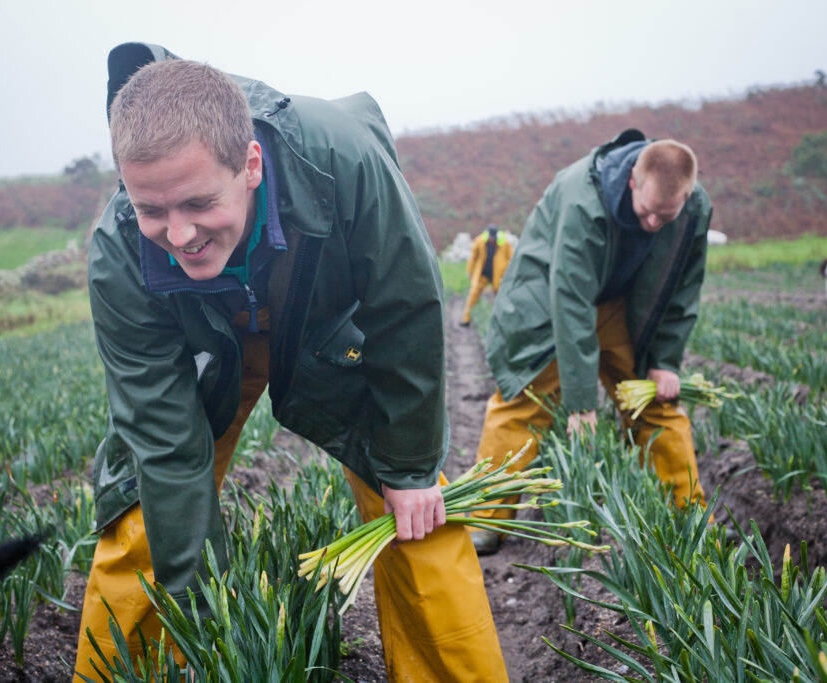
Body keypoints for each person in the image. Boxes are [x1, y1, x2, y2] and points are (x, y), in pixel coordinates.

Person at [75, 42, 507, 682]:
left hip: (325, 327)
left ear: (250, 164)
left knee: (415, 512)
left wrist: (412, 467)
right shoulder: (118, 250)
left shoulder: (342, 160)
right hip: (212, 347)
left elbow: (405, 308)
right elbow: (162, 438)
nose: (179, 233)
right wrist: (208, 613)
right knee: (145, 510)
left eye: (198, 203)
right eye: (151, 210)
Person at [469, 129, 713, 556]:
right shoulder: (584, 196)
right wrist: (582, 403)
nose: (654, 224)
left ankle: (688, 515)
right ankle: (486, 520)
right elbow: (571, 299)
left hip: (620, 303)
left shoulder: (694, 210)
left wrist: (665, 362)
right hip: (549, 302)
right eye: (647, 212)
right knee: (524, 405)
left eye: (665, 216)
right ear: (634, 180)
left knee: (652, 402)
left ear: (689, 195)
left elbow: (682, 288)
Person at [460, 224, 513, 326]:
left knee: (501, 297)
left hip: (498, 275)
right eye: (491, 237)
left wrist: (507, 271)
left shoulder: (505, 243)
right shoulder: (480, 241)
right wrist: (470, 271)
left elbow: (511, 259)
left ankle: (503, 322)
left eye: (494, 237)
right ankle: (466, 319)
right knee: (473, 293)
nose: (492, 239)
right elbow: (473, 257)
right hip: (482, 274)